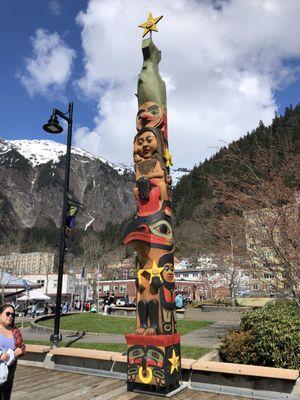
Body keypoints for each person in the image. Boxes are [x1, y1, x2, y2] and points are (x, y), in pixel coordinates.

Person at [0, 304, 26, 399]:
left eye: (12, 314)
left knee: (6, 396)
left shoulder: (15, 330)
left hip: (10, 369)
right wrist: (0, 355)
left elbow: (22, 346)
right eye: (7, 314)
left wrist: (20, 351)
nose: (10, 316)